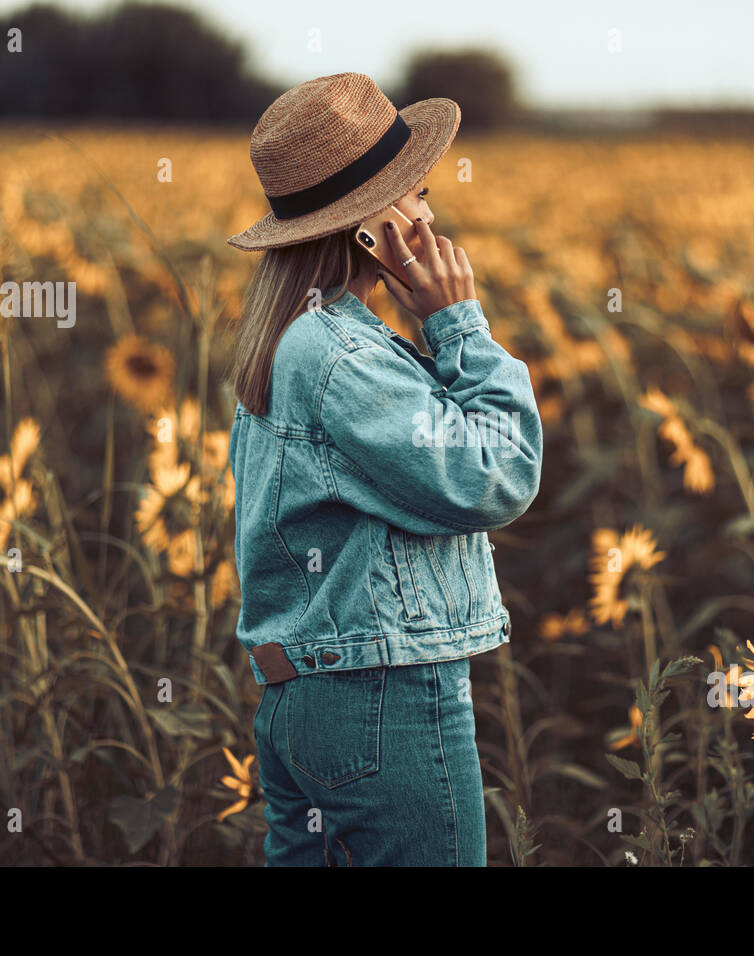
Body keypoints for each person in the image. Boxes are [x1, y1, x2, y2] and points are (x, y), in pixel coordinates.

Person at [224, 72, 543, 865]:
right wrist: (457, 323)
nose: (430, 213)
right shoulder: (342, 356)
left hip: (304, 700)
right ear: (370, 227)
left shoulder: (291, 342)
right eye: (418, 192)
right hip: (382, 695)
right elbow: (498, 474)